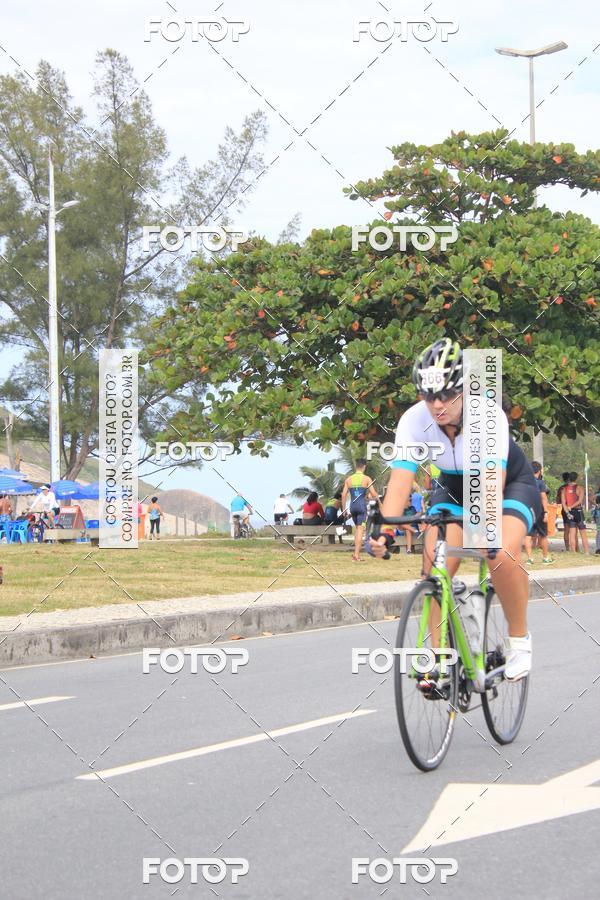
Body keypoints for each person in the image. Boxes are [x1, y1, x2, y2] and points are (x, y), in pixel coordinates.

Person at [369, 338, 542, 682]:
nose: (437, 404)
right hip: (452, 486)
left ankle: (519, 640)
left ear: (464, 389)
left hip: (506, 483)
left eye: (447, 394)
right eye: (429, 395)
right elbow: (401, 480)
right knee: (435, 565)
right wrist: (386, 531)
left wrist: (485, 529)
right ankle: (440, 659)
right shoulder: (413, 420)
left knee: (499, 553)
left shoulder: (487, 416)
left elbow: (490, 484)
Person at [341, 459, 379, 562]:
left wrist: (344, 509)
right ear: (364, 466)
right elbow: (373, 494)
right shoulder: (366, 479)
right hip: (361, 507)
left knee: (358, 529)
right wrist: (380, 503)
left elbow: (343, 495)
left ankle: (356, 554)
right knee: (360, 530)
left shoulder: (348, 479)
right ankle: (356, 556)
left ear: (356, 466)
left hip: (352, 507)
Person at [524, 461, 554, 565]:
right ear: (539, 471)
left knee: (528, 536)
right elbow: (543, 498)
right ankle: (545, 558)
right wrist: (546, 512)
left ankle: (530, 559)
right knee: (543, 535)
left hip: (528, 511)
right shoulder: (540, 483)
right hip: (539, 511)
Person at [563, 472, 589, 553]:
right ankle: (586, 552)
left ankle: (573, 551)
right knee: (583, 533)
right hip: (578, 512)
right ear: (576, 478)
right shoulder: (580, 488)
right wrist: (571, 507)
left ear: (569, 479)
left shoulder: (564, 489)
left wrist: (567, 511)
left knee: (572, 533)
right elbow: (580, 501)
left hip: (570, 513)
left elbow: (564, 503)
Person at [556, 473, 572, 551]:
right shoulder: (575, 487)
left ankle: (567, 548)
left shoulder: (561, 488)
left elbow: (558, 500)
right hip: (574, 509)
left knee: (566, 529)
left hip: (564, 510)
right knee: (574, 529)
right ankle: (575, 548)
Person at [592, 487, 600, 555]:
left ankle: (598, 548)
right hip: (598, 515)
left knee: (599, 532)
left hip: (598, 516)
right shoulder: (598, 494)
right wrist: (596, 505)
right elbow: (591, 498)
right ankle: (598, 548)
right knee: (599, 532)